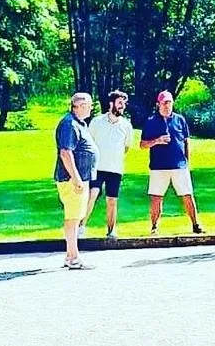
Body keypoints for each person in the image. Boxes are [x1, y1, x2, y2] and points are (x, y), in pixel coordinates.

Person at [141, 90, 205, 236]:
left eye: (169, 103)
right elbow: (143, 144)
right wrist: (157, 141)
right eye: (164, 103)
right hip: (158, 167)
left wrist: (187, 161)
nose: (167, 106)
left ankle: (195, 225)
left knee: (187, 195)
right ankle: (154, 227)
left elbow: (186, 141)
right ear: (158, 104)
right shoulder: (151, 121)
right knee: (156, 197)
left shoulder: (180, 120)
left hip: (179, 166)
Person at [54, 91, 98, 269]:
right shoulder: (69, 124)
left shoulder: (77, 123)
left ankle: (70, 255)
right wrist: (76, 178)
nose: (91, 108)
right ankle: (73, 257)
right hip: (72, 180)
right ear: (79, 106)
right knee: (73, 218)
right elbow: (66, 152)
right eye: (88, 105)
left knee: (74, 217)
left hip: (79, 178)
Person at [87, 90, 135, 240]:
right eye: (119, 103)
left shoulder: (126, 125)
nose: (122, 106)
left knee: (112, 200)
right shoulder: (97, 122)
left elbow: (126, 147)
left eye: (124, 104)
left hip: (115, 169)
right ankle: (80, 226)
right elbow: (89, 143)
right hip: (97, 167)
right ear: (111, 103)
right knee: (92, 194)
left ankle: (111, 230)